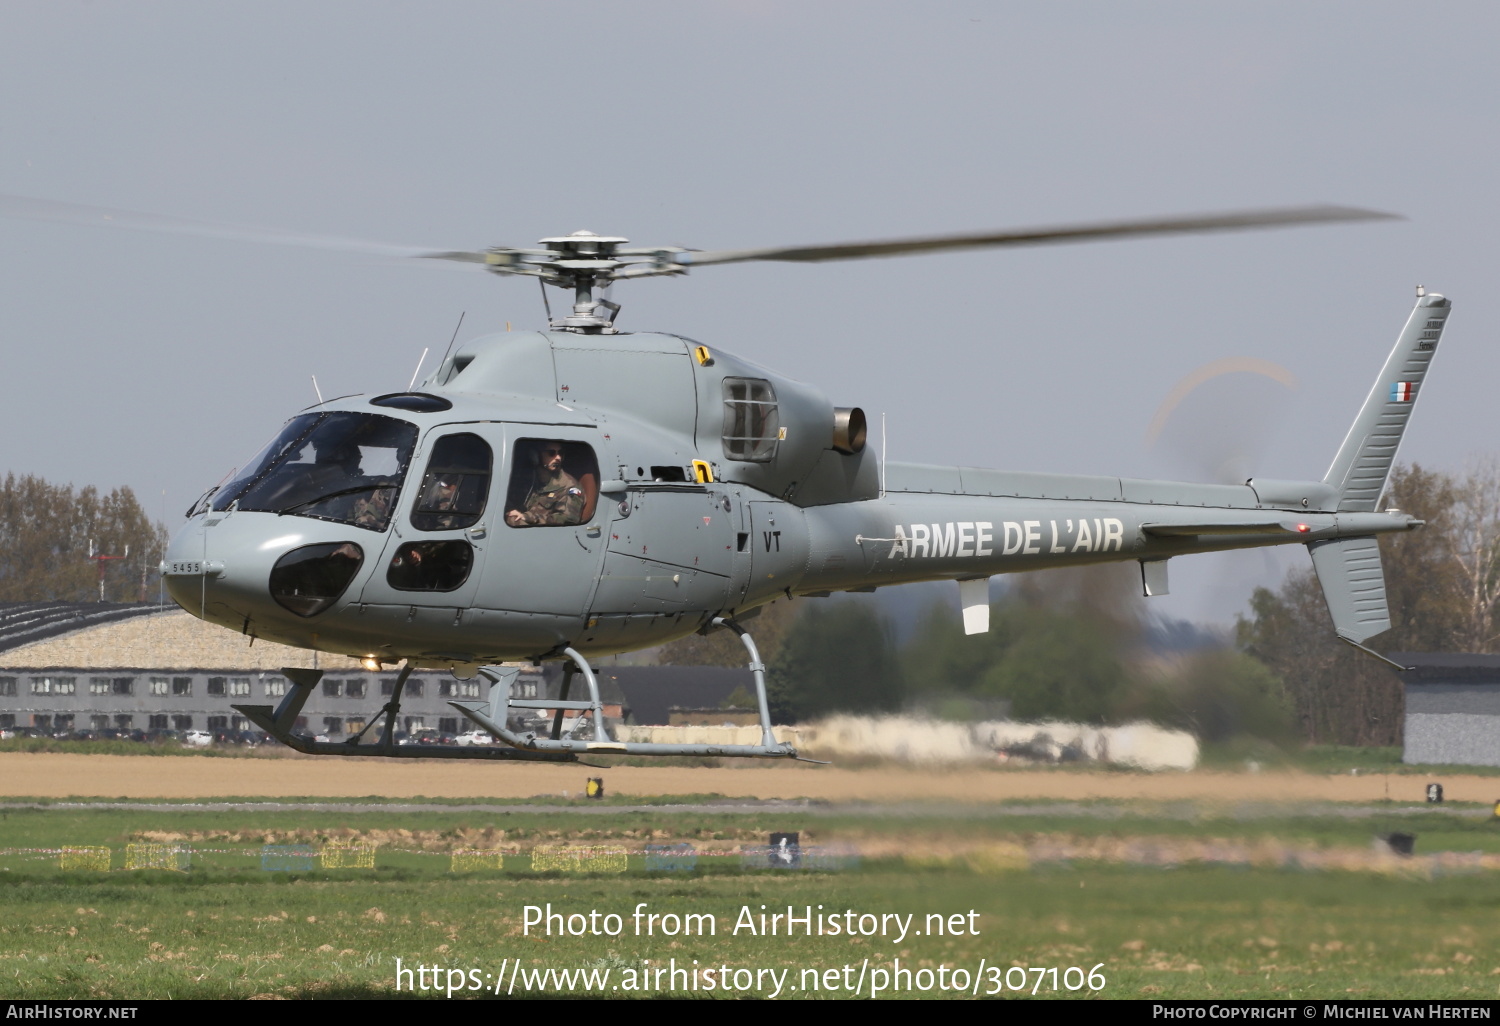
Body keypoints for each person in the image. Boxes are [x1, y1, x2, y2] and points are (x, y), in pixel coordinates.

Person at [506, 441, 584, 527]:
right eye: (551, 453)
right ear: (535, 456)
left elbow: (567, 519)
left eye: (560, 453)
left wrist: (528, 517)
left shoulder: (569, 486)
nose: (558, 457)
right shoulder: (529, 480)